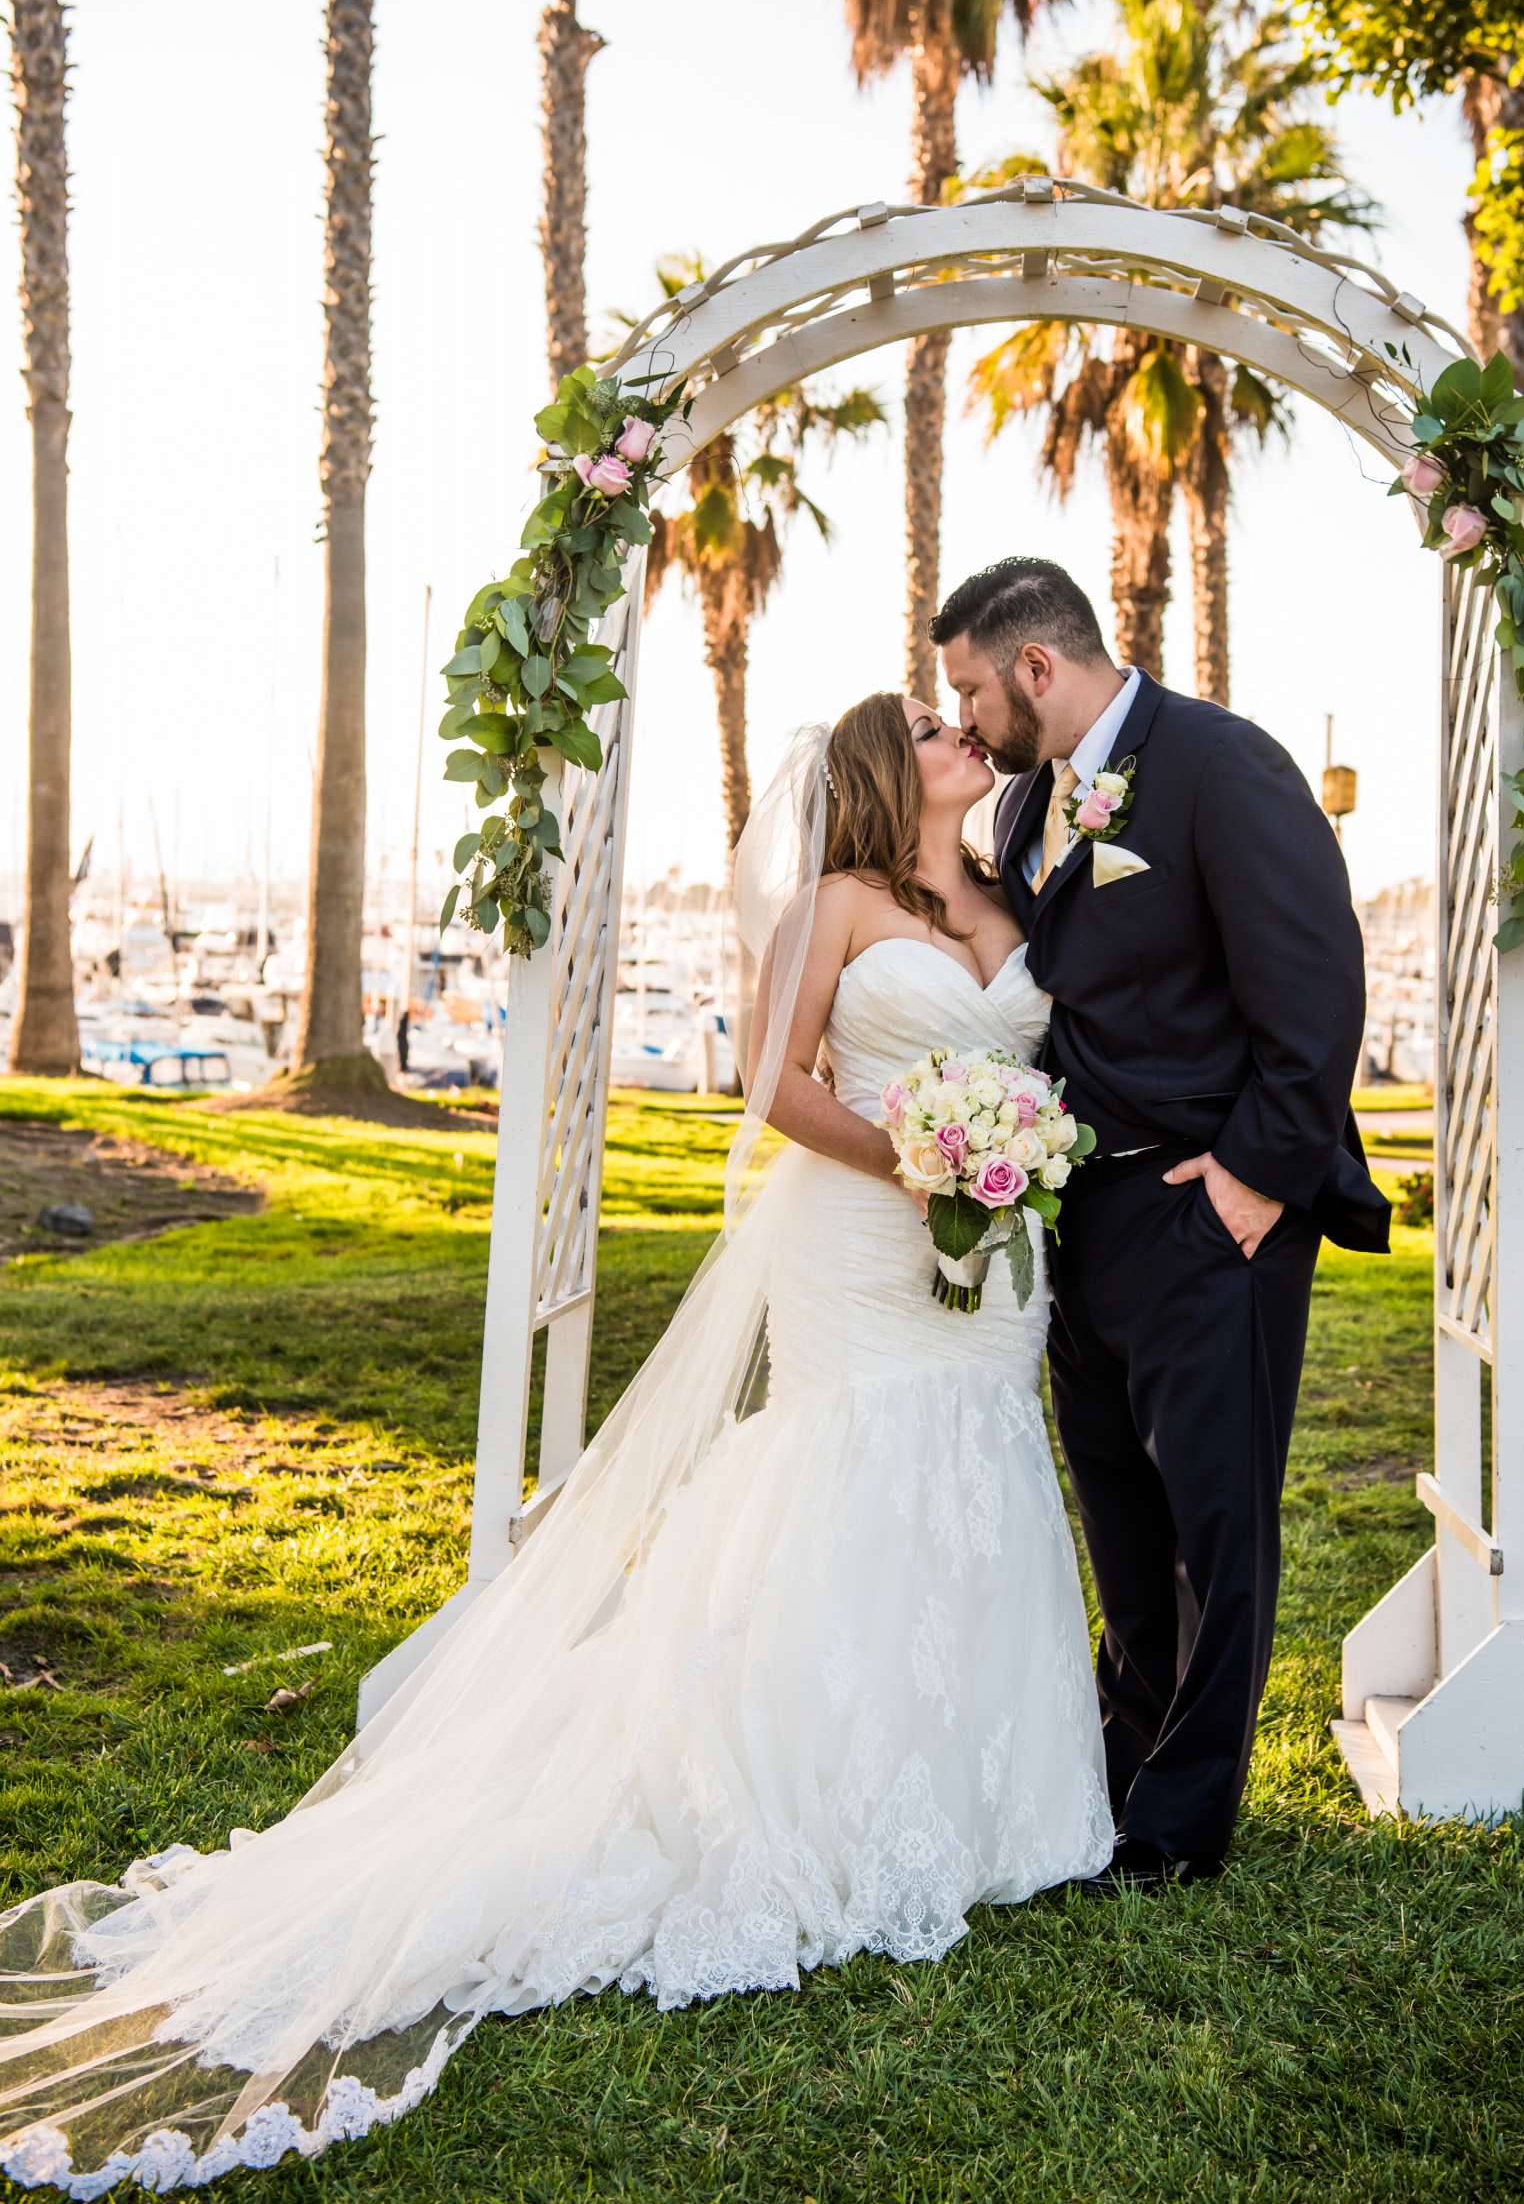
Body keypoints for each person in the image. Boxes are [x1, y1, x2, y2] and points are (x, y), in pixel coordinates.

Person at [0, 693, 1112, 2196]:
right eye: (929, 726)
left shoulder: (1012, 888)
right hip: (865, 1235)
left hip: (999, 1265)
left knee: (980, 1456)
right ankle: (800, 1784)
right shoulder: (834, 905)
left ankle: (989, 1793)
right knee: (852, 1457)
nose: (962, 735)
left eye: (961, 722)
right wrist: (923, 1162)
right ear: (873, 768)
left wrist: (1011, 1157)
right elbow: (770, 1089)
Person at [934, 556, 1389, 1892]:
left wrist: (1253, 1177)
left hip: (1210, 1206)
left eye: (970, 687)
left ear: (1034, 668)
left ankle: (1178, 1827)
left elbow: (1315, 989)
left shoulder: (1219, 764)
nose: (962, 719)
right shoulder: (1021, 806)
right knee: (1121, 1515)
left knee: (1210, 1524)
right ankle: (1117, 1770)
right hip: (1083, 1210)